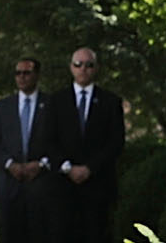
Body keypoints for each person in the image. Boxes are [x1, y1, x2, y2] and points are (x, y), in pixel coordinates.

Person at [48, 48, 125, 243]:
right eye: (78, 64)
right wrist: (68, 168)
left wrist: (89, 168)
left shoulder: (110, 102)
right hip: (63, 187)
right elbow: (47, 140)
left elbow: (116, 142)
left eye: (89, 65)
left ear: (96, 68)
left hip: (98, 186)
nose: (83, 69)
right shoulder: (56, 101)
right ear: (71, 68)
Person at [0, 57, 61, 243]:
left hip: (42, 186)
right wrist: (10, 165)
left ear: (37, 75)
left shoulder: (53, 105)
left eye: (26, 73)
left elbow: (61, 143)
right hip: (10, 186)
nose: (21, 77)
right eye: (18, 73)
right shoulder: (3, 107)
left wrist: (42, 164)